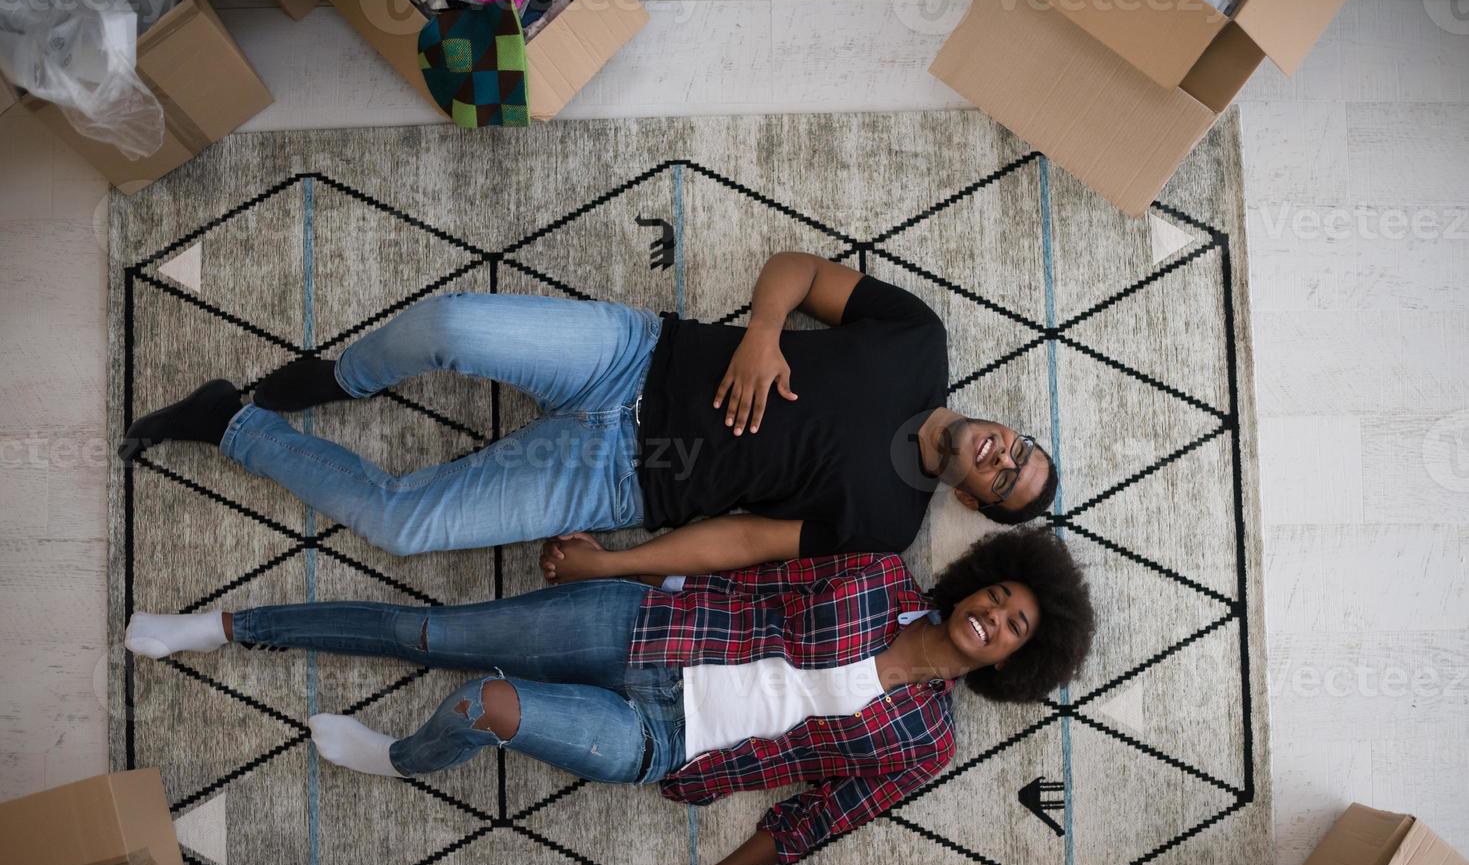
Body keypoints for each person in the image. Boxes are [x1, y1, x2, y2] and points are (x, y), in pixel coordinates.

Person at [124, 528, 1094, 865]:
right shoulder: (880, 578)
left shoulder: (923, 743)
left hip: (661, 740)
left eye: (1013, 627)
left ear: (1013, 663)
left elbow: (813, 820)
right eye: (997, 595)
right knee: (434, 635)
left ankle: (399, 758)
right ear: (975, 579)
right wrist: (613, 565)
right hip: (643, 624)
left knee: (484, 707)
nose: (993, 617)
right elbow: (746, 562)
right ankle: (221, 627)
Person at [120, 253, 1058, 574]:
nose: (1002, 453)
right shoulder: (918, 344)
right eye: (1020, 446)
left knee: (402, 526)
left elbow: (738, 544)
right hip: (635, 355)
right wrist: (764, 332)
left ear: (976, 501)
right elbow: (801, 271)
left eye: (1004, 477)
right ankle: (348, 379)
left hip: (619, 479)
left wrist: (622, 560)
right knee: (448, 322)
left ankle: (230, 424)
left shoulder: (886, 527)